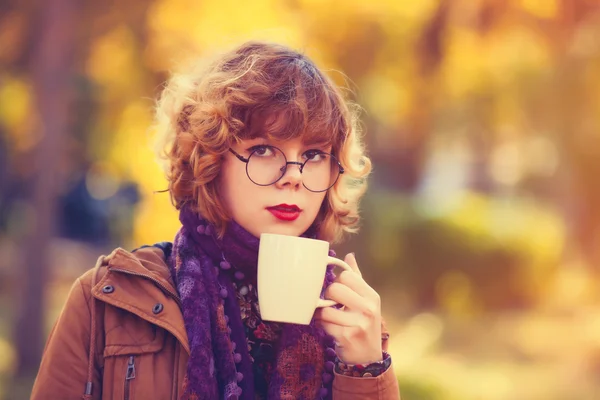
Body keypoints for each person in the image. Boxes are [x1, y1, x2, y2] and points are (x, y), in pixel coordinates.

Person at [31, 41, 401, 400]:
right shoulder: (106, 301)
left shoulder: (353, 323)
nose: (294, 176)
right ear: (209, 159)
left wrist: (365, 371)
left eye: (315, 154)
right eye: (264, 149)